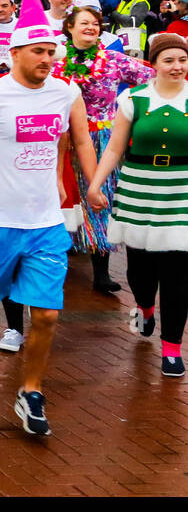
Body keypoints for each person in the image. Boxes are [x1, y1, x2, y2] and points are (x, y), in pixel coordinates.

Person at [0, 0, 97, 436]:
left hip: (45, 221)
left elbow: (79, 139)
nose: (47, 59)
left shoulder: (66, 92)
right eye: (38, 51)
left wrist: (92, 185)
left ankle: (31, 392)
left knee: (48, 313)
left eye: (52, 52)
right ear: (14, 53)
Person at [88, 33, 188, 377]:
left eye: (182, 60)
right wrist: (96, 184)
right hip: (138, 189)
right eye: (169, 60)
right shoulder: (134, 99)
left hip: (182, 192)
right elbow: (115, 149)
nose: (177, 67)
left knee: (178, 277)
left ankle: (172, 348)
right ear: (154, 64)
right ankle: (145, 309)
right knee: (140, 272)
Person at [53, 3, 152, 294]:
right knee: (63, 198)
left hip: (102, 139)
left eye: (95, 24)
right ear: (69, 28)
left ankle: (101, 273)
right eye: (84, 23)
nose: (91, 28)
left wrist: (134, 112)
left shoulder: (113, 60)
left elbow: (151, 80)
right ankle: (60, 254)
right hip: (63, 141)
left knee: (100, 198)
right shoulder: (56, 63)